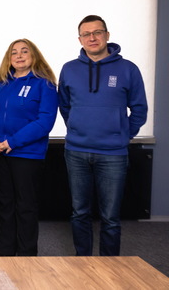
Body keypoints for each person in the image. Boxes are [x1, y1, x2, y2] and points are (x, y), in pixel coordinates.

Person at [59, 15, 147, 256]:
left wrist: (123, 134)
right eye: (86, 34)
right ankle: (83, 263)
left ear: (107, 35)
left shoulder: (128, 69)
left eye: (97, 32)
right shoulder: (69, 69)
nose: (92, 38)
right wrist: (76, 127)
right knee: (79, 213)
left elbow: (139, 109)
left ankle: (109, 267)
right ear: (80, 39)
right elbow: (65, 106)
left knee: (110, 217)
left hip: (113, 154)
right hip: (76, 152)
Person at [0, 39, 58, 256]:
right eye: (14, 52)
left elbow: (45, 122)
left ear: (34, 55)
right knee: (5, 204)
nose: (19, 55)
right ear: (9, 58)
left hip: (27, 154)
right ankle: (6, 252)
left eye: (24, 51)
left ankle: (27, 255)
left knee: (26, 206)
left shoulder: (44, 85)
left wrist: (12, 142)